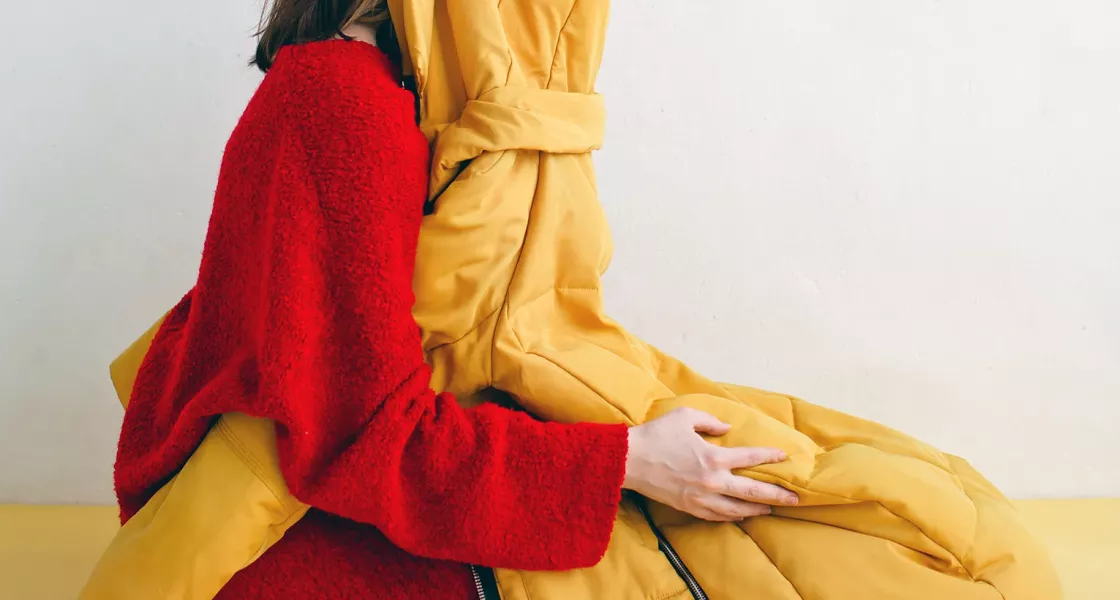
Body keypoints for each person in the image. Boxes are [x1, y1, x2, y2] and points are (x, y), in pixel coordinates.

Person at [112, 1, 799, 598]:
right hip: (298, 536)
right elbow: (365, 437)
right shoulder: (344, 99)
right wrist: (630, 460)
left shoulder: (398, 92)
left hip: (353, 488)